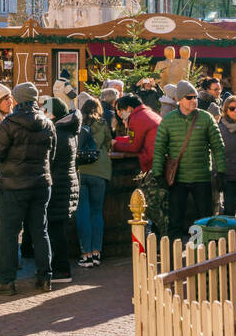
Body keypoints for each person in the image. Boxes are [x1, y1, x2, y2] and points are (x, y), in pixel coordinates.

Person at [0, 83, 57, 296]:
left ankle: (7, 281)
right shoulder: (47, 123)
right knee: (40, 231)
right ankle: (45, 278)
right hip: (41, 184)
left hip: (15, 186)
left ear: (17, 100)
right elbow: (52, 155)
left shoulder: (10, 124)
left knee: (9, 233)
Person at [151, 80, 226, 241]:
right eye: (189, 97)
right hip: (177, 178)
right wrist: (158, 174)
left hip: (202, 177)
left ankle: (205, 251)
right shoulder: (169, 120)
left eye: (195, 97)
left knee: (204, 218)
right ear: (179, 100)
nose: (193, 100)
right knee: (175, 219)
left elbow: (218, 147)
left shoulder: (206, 118)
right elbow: (159, 149)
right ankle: (173, 253)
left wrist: (221, 172)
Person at [46, 96, 81, 282]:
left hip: (59, 185)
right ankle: (60, 267)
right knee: (57, 227)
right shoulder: (68, 130)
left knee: (55, 228)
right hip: (66, 183)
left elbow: (50, 160)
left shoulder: (58, 133)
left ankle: (61, 270)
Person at [76, 96, 114, 268]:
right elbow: (108, 144)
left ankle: (86, 254)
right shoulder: (103, 124)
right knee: (97, 212)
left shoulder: (78, 124)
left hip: (82, 171)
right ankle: (97, 253)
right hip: (100, 171)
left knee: (82, 211)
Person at [113, 93, 161, 178]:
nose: (120, 114)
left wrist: (115, 144)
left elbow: (134, 147)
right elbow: (136, 138)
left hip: (152, 162)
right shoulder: (147, 113)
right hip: (160, 157)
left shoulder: (136, 118)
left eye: (120, 111)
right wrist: (118, 140)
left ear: (129, 108)